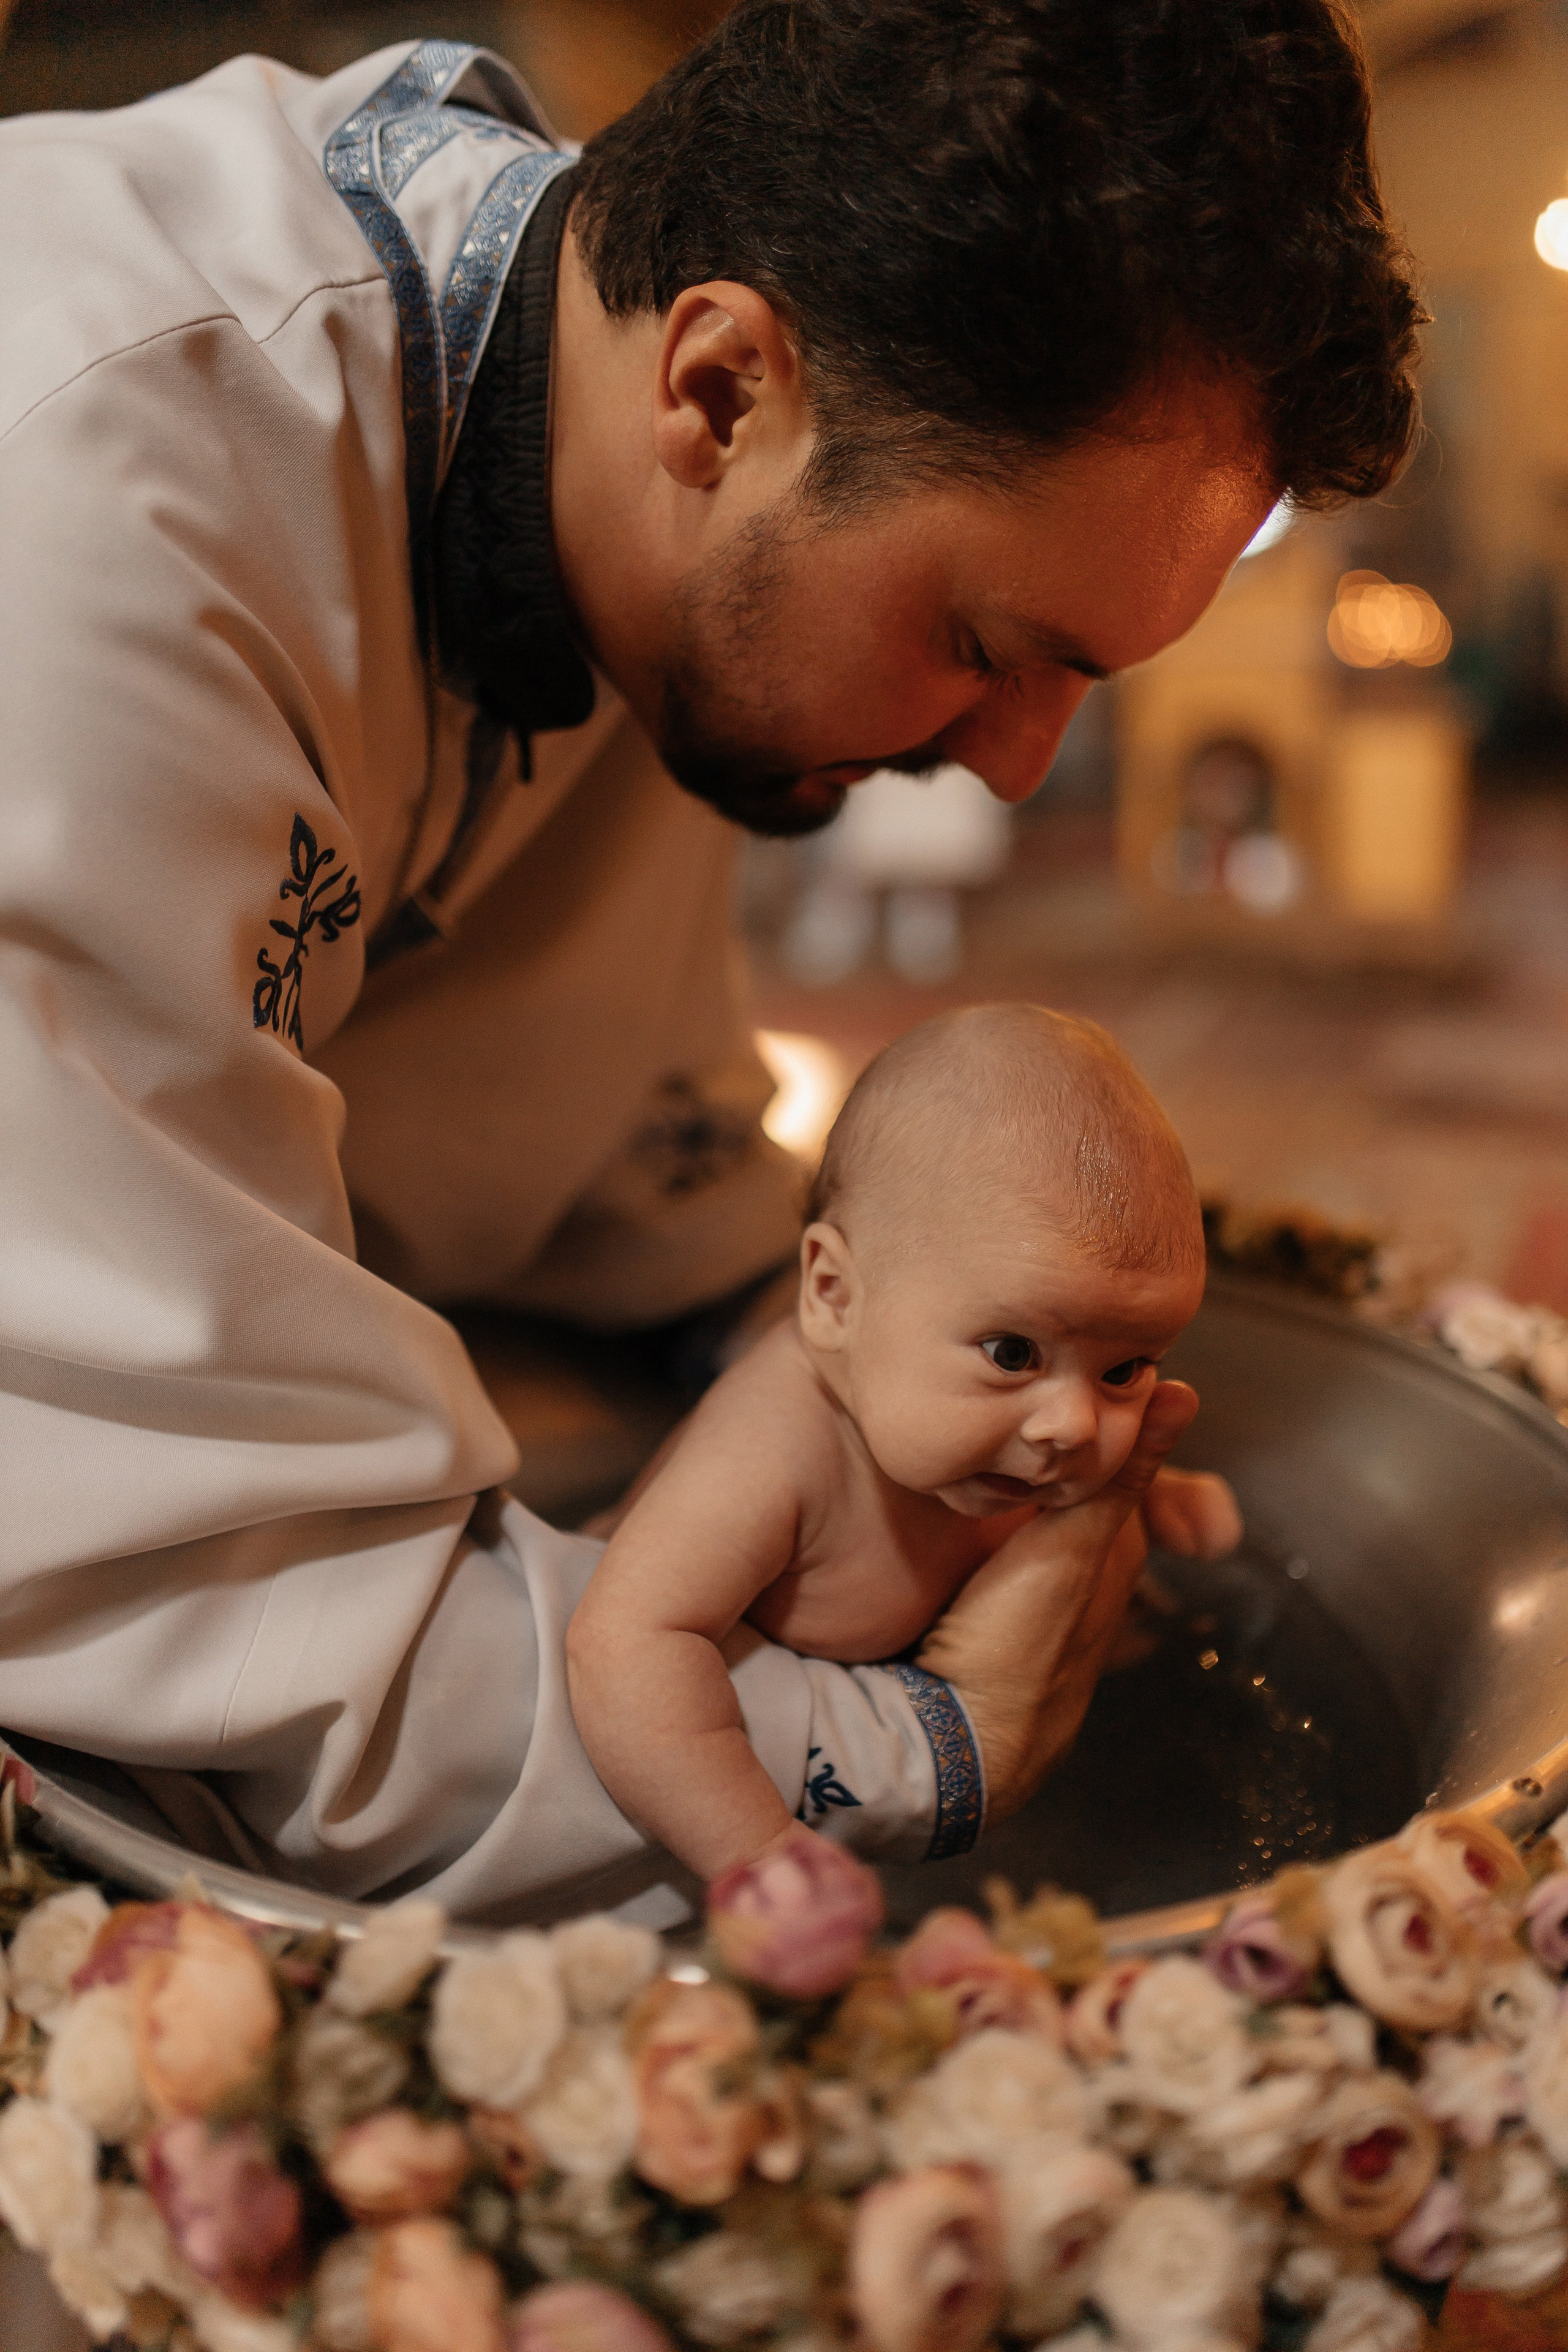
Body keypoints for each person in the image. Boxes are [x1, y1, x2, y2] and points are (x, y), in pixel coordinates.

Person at [0, 0, 1421, 1920]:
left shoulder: (631, 535)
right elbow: (237, 1640)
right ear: (724, 390)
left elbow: (613, 1179)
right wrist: (930, 1731)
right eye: (992, 645)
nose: (1013, 767)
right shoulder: (91, 528)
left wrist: (952, 1443)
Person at [569, 1006, 1244, 1881]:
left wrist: (1160, 1488)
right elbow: (623, 1645)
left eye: (1127, 1370)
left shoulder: (999, 1429)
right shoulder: (775, 1444)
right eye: (1013, 1354)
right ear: (835, 1296)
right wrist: (761, 1859)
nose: (1075, 1428)